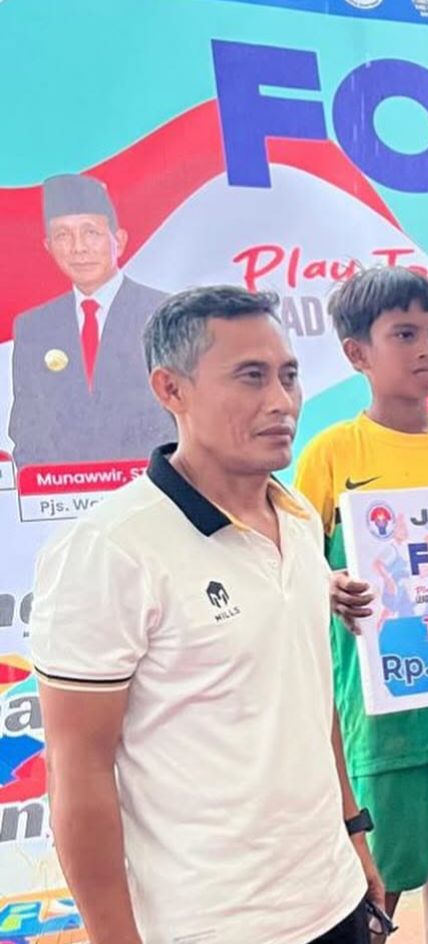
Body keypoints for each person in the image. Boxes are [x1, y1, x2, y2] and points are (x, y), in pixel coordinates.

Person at [30, 286, 382, 944]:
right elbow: (78, 774)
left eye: (288, 375)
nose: (281, 401)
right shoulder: (111, 548)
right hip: (209, 926)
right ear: (171, 389)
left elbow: (313, 701)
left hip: (332, 898)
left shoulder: (299, 519)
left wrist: (353, 834)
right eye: (250, 377)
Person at [294, 267, 428, 944]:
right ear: (356, 352)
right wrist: (328, 584)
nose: (427, 350)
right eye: (405, 334)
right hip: (385, 698)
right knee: (383, 847)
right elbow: (294, 563)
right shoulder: (332, 453)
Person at [8, 173, 173, 467]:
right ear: (48, 246)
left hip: (149, 484)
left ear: (118, 241)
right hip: (60, 489)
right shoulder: (34, 327)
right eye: (63, 236)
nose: (78, 248)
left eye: (91, 233)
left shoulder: (162, 310)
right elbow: (26, 426)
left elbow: (182, 413)